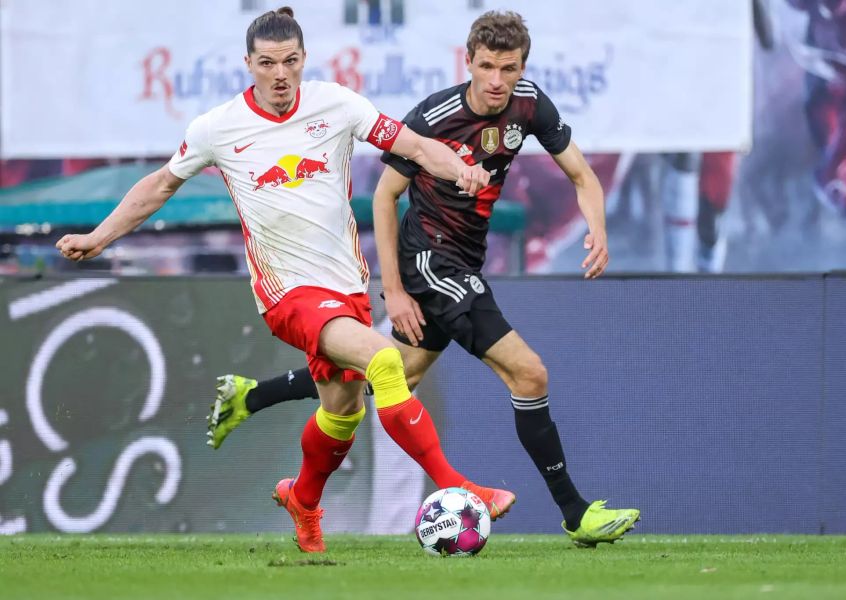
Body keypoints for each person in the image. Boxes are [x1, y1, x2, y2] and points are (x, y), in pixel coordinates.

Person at [55, 6, 515, 553]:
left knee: (343, 410)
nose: (280, 74)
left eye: (290, 61)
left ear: (304, 60)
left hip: (344, 284)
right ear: (248, 63)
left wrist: (458, 167)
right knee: (386, 363)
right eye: (267, 63)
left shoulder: (337, 105)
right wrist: (98, 238)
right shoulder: (218, 127)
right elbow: (158, 186)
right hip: (287, 293)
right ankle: (460, 488)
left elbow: (415, 146)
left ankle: (302, 498)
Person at [208, 10, 640, 547]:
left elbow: (581, 175)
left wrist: (597, 229)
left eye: (508, 68)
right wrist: (393, 287)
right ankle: (576, 513)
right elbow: (386, 195)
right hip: (430, 261)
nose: (497, 81)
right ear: (469, 62)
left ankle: (256, 401)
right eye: (486, 67)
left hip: (466, 258)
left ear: (522, 66)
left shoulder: (529, 105)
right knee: (530, 375)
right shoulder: (434, 116)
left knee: (373, 386)